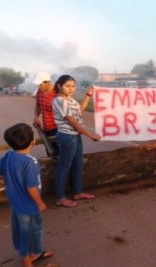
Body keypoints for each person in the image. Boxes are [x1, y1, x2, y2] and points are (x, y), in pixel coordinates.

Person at [0, 123, 53, 267]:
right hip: (29, 206)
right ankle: (27, 261)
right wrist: (40, 203)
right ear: (33, 142)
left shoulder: (9, 155)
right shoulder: (30, 162)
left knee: (36, 228)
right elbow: (31, 187)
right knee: (26, 234)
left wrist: (12, 176)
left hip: (16, 204)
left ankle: (36, 252)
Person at [52, 74, 101, 207]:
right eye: (67, 86)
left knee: (78, 165)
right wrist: (90, 134)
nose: (71, 89)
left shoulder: (69, 100)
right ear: (59, 86)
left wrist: (88, 96)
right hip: (67, 137)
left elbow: (79, 110)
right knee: (64, 167)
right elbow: (73, 122)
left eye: (73, 86)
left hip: (75, 136)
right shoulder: (59, 101)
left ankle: (78, 192)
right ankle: (60, 197)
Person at [33, 71, 59, 156]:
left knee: (58, 152)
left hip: (57, 128)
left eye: (40, 84)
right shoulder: (39, 92)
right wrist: (36, 117)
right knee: (49, 151)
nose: (39, 86)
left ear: (47, 82)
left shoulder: (57, 93)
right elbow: (38, 105)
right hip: (46, 128)